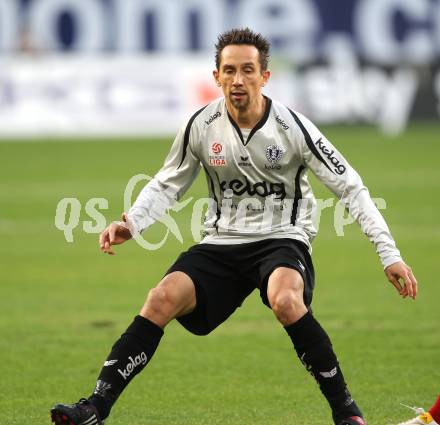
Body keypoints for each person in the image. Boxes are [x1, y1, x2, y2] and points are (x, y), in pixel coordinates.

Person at [50, 28, 418, 425]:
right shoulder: (201, 124)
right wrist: (133, 222)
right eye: (230, 70)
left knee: (286, 300)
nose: (238, 80)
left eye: (248, 70)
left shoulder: (294, 128)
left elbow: (352, 187)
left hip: (282, 239)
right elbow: (167, 182)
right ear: (216, 76)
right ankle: (95, 408)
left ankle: (346, 413)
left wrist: (389, 255)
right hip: (222, 241)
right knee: (159, 299)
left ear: (265, 76)